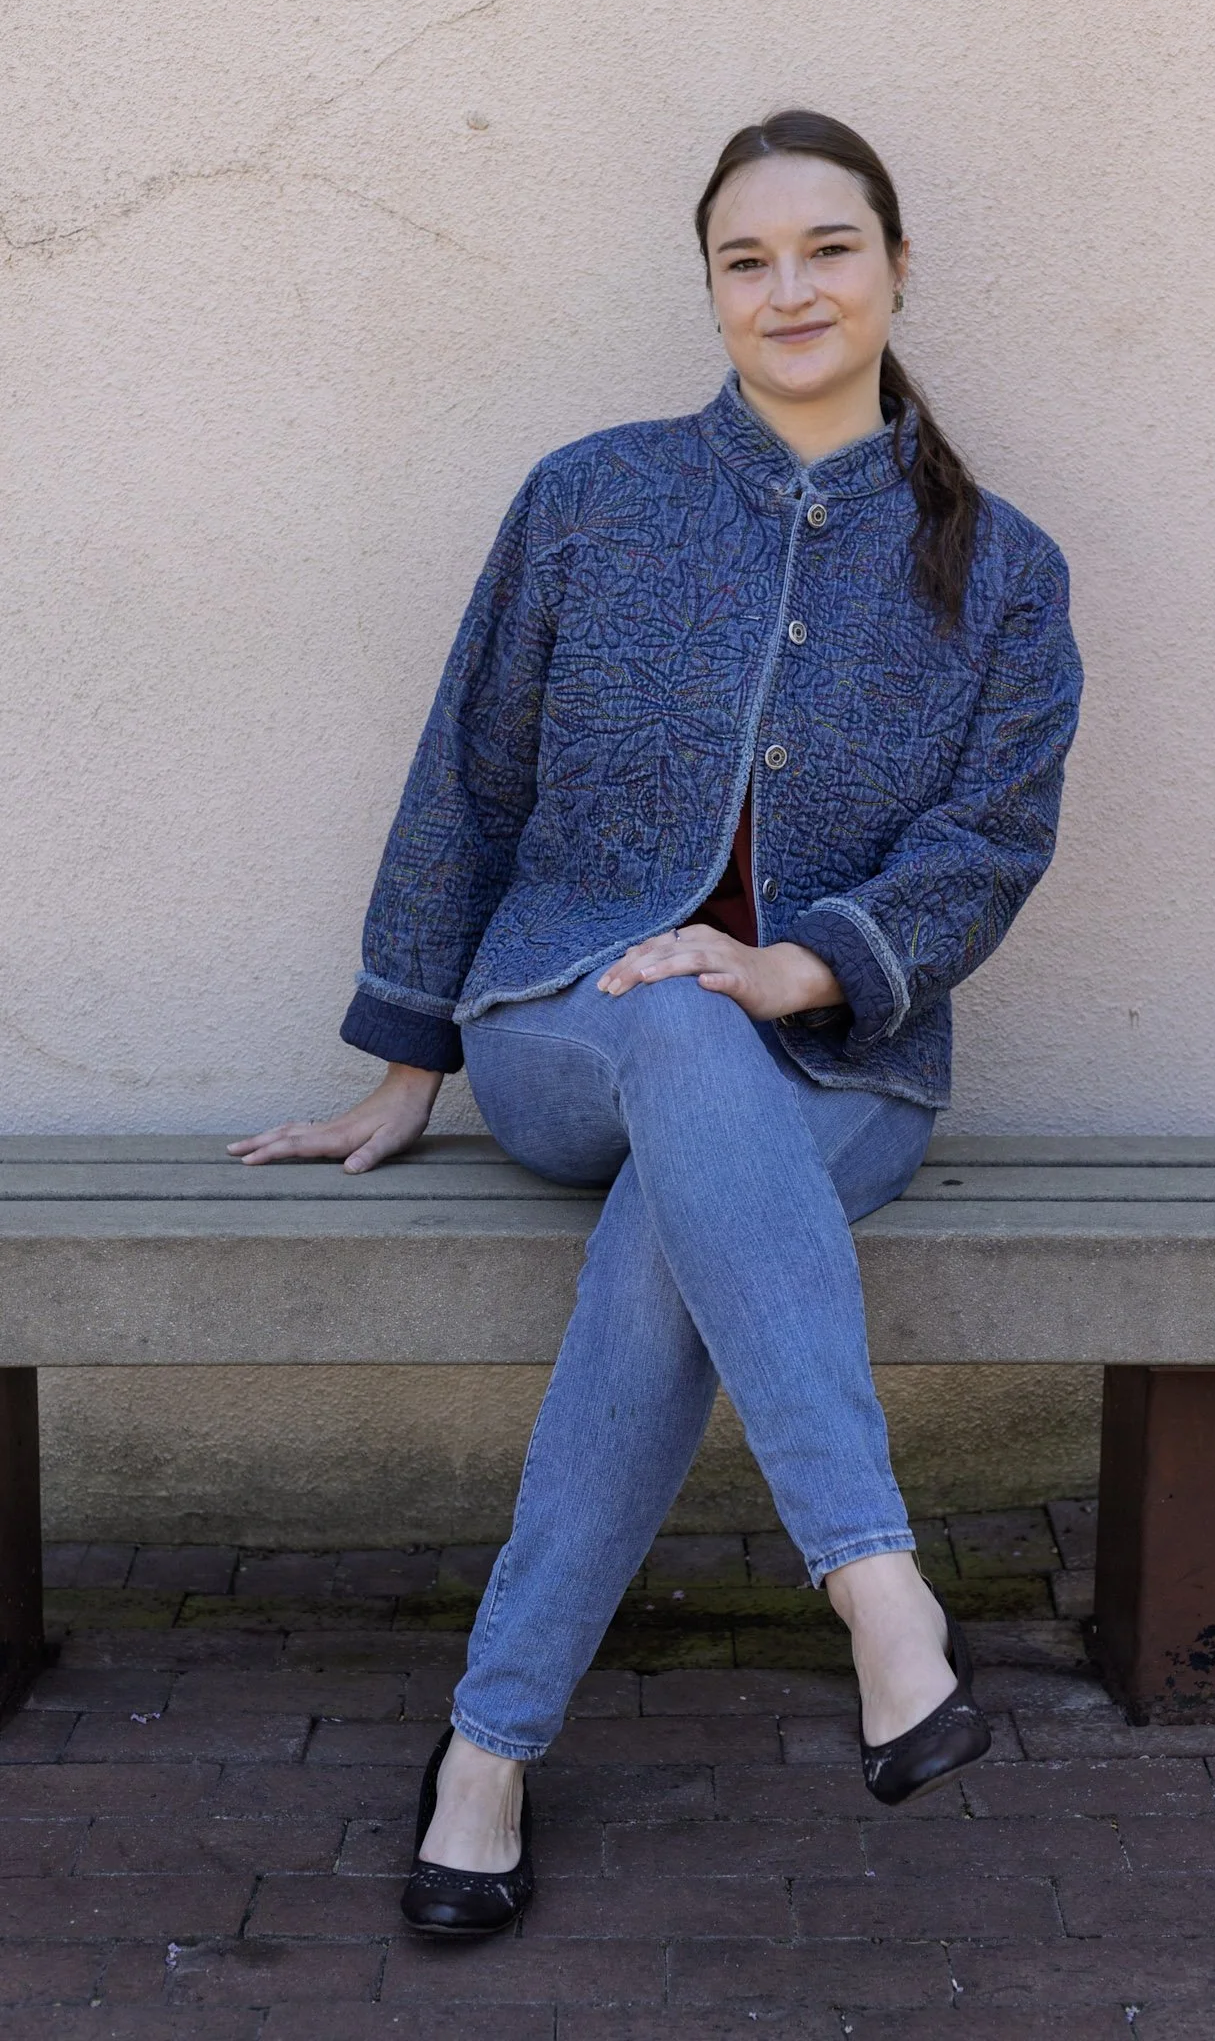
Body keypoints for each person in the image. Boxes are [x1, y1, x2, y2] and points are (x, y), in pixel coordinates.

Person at [229, 108, 1084, 1938]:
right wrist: (405, 1062)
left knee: (669, 1221)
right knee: (679, 1029)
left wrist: (808, 962)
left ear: (897, 266)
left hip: (844, 1067)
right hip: (568, 1030)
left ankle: (488, 1752)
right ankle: (881, 1593)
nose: (791, 288)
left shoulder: (1001, 568)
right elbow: (470, 775)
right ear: (709, 285)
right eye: (747, 259)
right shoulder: (591, 496)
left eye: (829, 247)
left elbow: (993, 844)